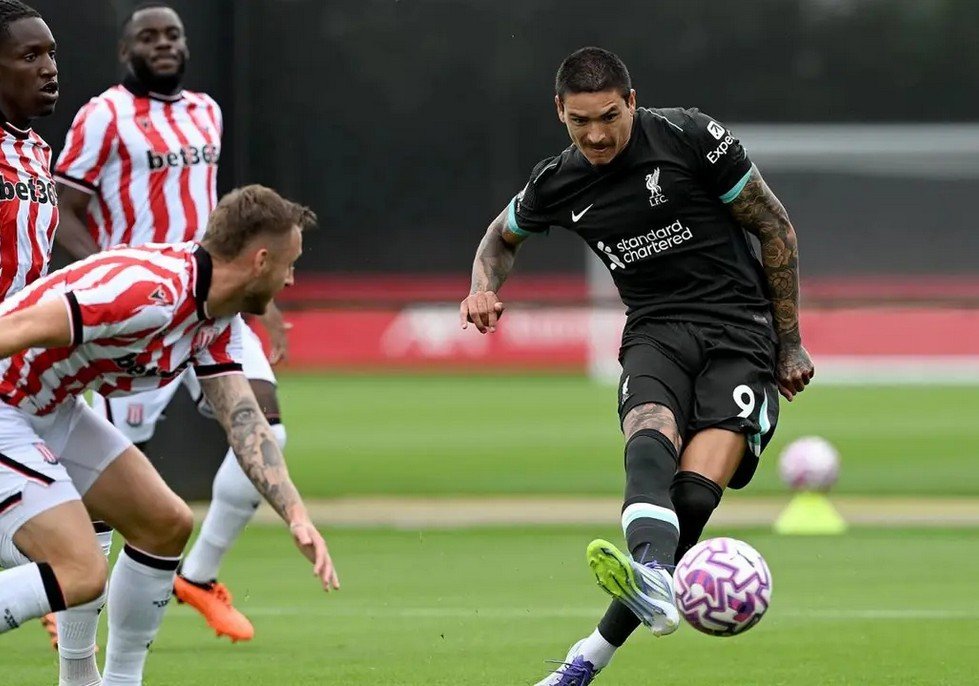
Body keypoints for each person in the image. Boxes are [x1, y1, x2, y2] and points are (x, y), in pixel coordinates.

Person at [459, 47, 814, 684]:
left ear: (631, 100)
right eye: (579, 122)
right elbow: (498, 240)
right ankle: (649, 577)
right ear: (560, 114)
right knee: (648, 432)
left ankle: (589, 653)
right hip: (655, 328)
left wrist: (789, 342)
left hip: (740, 331)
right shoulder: (557, 180)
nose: (595, 135)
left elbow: (775, 228)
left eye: (608, 117)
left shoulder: (689, 136)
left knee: (692, 500)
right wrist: (482, 284)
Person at [0, 184, 339, 686]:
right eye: (290, 264)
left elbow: (242, 418)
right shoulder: (148, 293)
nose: (291, 278)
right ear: (260, 260)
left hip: (52, 408)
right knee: (80, 570)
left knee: (165, 524)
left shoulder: (215, 313)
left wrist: (295, 514)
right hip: (7, 407)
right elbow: (18, 323)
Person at [51, 1, 291, 651]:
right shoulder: (102, 114)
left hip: (209, 302)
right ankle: (72, 597)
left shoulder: (204, 111)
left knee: (268, 427)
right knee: (111, 478)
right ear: (126, 50)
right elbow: (62, 201)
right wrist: (105, 274)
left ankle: (199, 576)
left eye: (173, 35)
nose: (164, 44)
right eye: (148, 36)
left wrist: (257, 293)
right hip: (137, 314)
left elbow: (214, 218)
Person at [0, 0, 59, 303]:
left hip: (23, 340)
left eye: (51, 54)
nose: (49, 69)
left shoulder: (39, 150)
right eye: (30, 56)